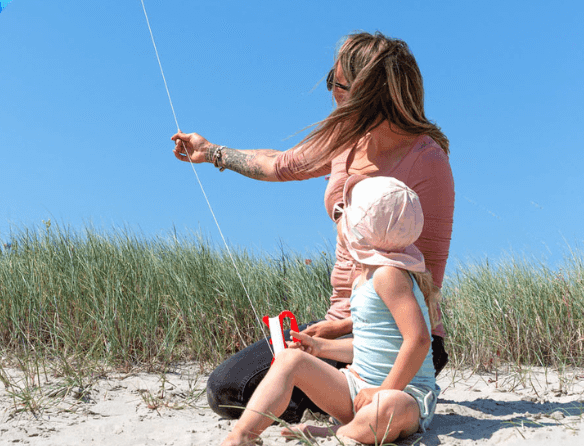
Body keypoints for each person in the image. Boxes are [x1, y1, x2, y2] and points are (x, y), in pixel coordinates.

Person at [171, 31, 454, 423]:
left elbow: (429, 286)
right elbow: (279, 163)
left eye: (335, 83)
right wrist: (212, 153)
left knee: (238, 393)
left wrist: (346, 327)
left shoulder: (428, 162)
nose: (331, 91)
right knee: (227, 387)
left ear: (365, 91)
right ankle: (333, 395)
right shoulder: (345, 139)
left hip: (394, 336)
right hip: (339, 325)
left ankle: (361, 402)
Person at [217, 175, 441, 446]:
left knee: (387, 408)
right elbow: (371, 345)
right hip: (356, 388)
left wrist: (383, 390)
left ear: (361, 228)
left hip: (402, 395)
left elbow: (419, 340)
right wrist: (321, 347)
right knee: (291, 359)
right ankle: (243, 433)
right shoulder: (365, 276)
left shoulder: (389, 275)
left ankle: (333, 431)